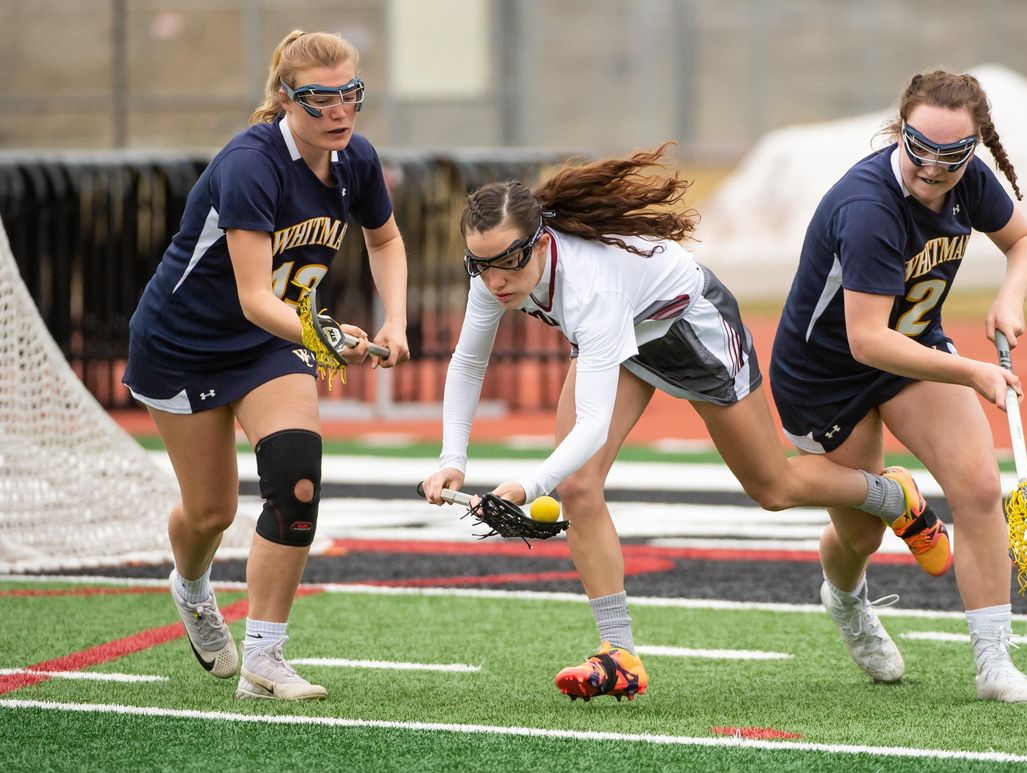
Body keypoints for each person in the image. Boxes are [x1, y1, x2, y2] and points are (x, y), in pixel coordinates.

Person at [422, 144, 948, 701]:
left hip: (690, 331)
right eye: (480, 265)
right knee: (578, 487)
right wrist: (451, 461)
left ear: (540, 242)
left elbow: (593, 424)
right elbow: (469, 361)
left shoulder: (590, 288)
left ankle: (894, 497)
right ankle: (618, 654)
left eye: (508, 262)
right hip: (621, 341)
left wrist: (528, 486)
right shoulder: (493, 277)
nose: (496, 281)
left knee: (773, 487)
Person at [123, 30, 410, 701]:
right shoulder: (250, 163)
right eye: (321, 99)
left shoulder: (355, 160)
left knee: (297, 482)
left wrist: (393, 321)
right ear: (286, 98)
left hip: (268, 346)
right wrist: (325, 334)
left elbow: (386, 238)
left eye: (351, 95)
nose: (340, 112)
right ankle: (191, 587)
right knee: (210, 512)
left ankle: (265, 658)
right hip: (182, 346)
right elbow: (255, 297)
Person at [770, 69, 1027, 702]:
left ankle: (994, 663)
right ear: (901, 129)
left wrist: (1011, 296)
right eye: (919, 145)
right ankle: (846, 600)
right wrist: (974, 370)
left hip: (912, 349)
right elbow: (867, 341)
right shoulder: (868, 207)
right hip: (826, 376)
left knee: (978, 488)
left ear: (974, 147)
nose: (932, 165)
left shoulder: (967, 178)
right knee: (862, 534)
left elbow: (1025, 242)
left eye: (953, 153)